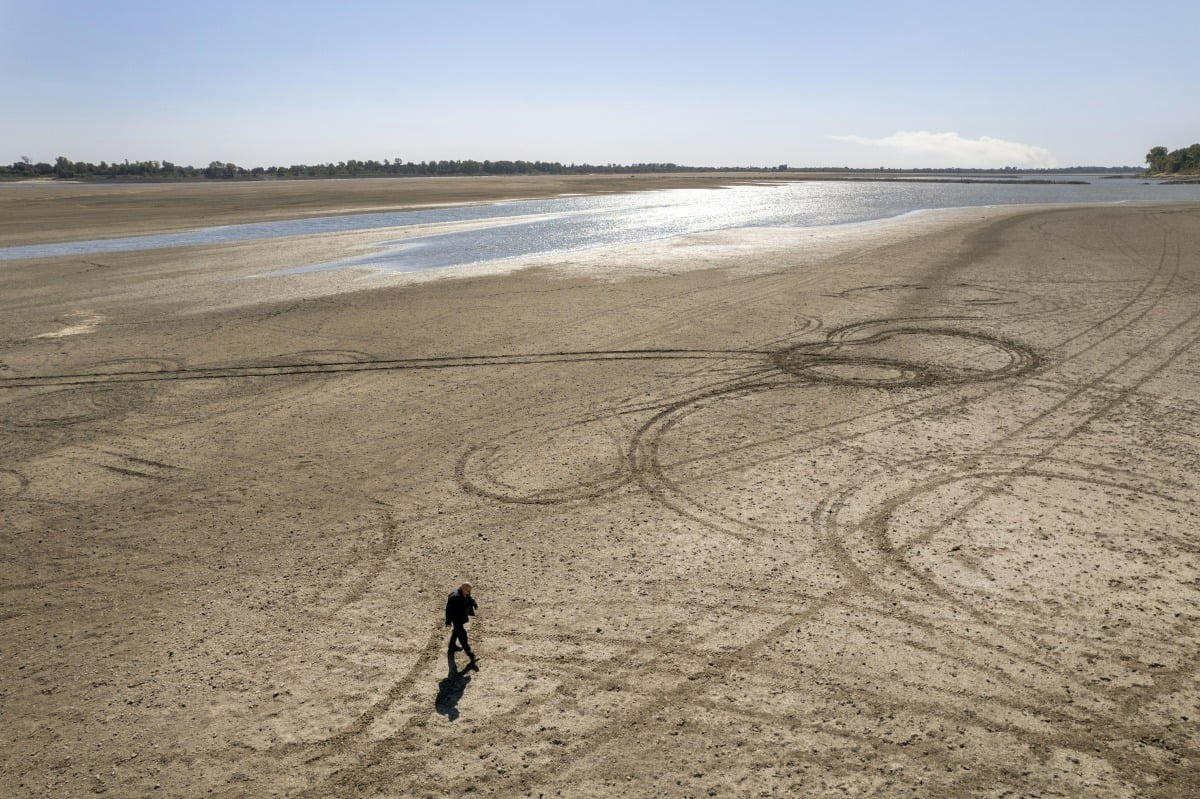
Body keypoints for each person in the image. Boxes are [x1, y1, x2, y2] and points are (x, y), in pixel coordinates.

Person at [445, 581, 477, 662]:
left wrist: (474, 603)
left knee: (456, 631)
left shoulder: (465, 592)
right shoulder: (454, 597)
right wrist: (448, 622)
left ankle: (452, 646)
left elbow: (469, 598)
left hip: (461, 617)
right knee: (463, 637)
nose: (469, 593)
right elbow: (448, 610)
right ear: (463, 588)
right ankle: (471, 655)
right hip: (456, 619)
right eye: (468, 591)